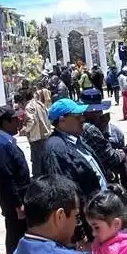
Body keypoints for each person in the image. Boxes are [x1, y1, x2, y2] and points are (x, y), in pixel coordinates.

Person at [39, 98, 108, 245]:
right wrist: (78, 232)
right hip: (86, 226)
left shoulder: (77, 140)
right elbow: (63, 194)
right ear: (62, 120)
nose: (82, 119)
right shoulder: (55, 149)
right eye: (77, 116)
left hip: (98, 214)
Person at [0, 106, 32, 254]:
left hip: (20, 199)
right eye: (15, 119)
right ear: (5, 122)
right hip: (14, 204)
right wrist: (18, 204)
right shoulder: (0, 145)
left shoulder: (6, 141)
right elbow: (6, 179)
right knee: (16, 238)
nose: (19, 122)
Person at [78, 89, 125, 187]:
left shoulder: (113, 130)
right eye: (95, 111)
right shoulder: (90, 130)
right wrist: (123, 152)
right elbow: (111, 158)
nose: (99, 113)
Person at [21, 88, 53, 176]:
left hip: (36, 138)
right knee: (46, 161)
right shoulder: (40, 104)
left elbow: (31, 121)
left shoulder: (29, 107)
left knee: (37, 164)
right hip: (46, 136)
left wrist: (24, 131)